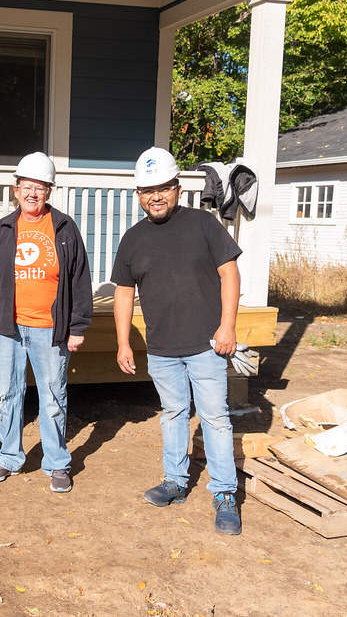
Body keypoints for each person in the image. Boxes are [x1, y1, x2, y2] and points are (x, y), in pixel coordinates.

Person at [111, 146, 243, 535]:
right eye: (148, 190)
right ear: (138, 195)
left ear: (178, 189)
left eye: (163, 188)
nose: (156, 196)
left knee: (215, 419)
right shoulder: (132, 239)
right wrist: (123, 343)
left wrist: (228, 326)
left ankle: (225, 495)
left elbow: (230, 274)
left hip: (206, 344)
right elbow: (123, 294)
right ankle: (175, 482)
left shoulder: (203, 225)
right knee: (172, 414)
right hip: (162, 349)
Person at [0, 152, 92, 494]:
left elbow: (79, 278)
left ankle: (56, 462)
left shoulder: (64, 228)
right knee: (7, 394)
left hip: (50, 330)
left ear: (49, 191)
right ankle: (9, 456)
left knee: (53, 397)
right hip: (9, 329)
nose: (32, 193)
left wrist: (77, 326)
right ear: (16, 190)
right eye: (27, 187)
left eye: (40, 187)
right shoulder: (3, 229)